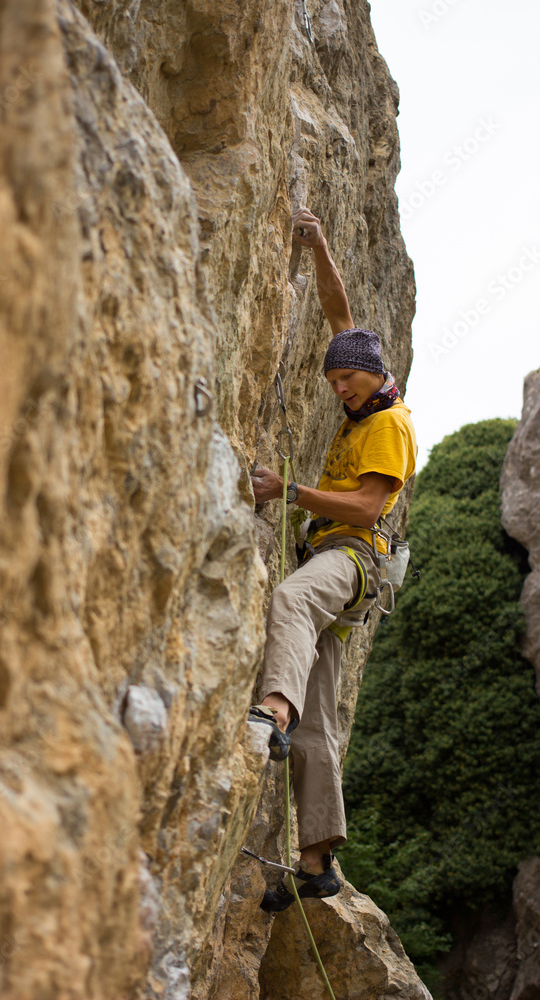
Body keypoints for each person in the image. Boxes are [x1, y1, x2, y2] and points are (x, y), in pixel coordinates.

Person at [249, 207, 416, 912]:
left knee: (289, 599)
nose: (337, 388)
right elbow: (338, 313)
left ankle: (269, 711)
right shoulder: (363, 394)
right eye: (332, 381)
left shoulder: (388, 424)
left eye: (345, 380)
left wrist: (291, 491)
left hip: (351, 557)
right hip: (346, 569)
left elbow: (366, 510)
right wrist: (317, 246)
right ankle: (315, 862)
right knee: (323, 722)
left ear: (373, 379)